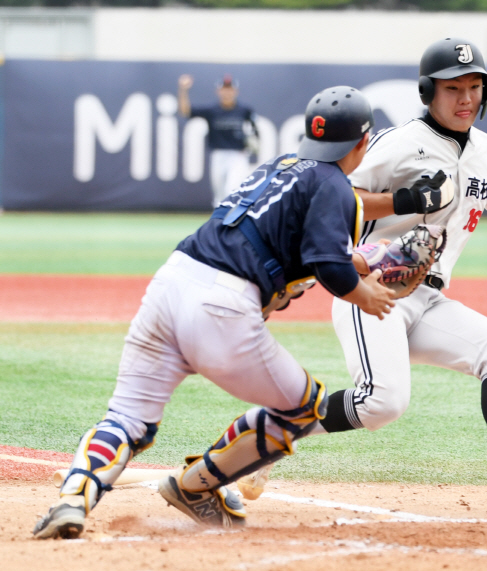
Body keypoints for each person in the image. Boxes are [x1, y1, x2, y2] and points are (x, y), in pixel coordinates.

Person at [33, 86, 397, 539]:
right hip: (222, 305)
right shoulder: (333, 184)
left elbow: (296, 249)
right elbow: (328, 266)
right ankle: (195, 486)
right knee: (302, 409)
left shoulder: (280, 166)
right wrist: (367, 294)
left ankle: (72, 500)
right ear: (363, 143)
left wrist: (360, 260)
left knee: (126, 418)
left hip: (171, 283)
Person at [239, 38, 487, 503]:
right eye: (453, 89)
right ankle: (266, 435)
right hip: (371, 290)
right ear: (428, 92)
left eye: (475, 87)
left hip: (428, 296)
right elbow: (334, 197)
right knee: (382, 403)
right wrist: (401, 201)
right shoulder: (398, 144)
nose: (466, 99)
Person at [178, 73, 259, 207]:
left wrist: (254, 143)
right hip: (218, 156)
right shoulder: (212, 110)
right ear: (218, 91)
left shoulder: (244, 110)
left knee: (232, 190)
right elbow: (185, 111)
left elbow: (254, 130)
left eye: (230, 89)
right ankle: (219, 225)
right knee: (219, 197)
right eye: (224, 89)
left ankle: (233, 224)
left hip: (238, 156)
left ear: (235, 91)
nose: (227, 92)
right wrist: (183, 90)